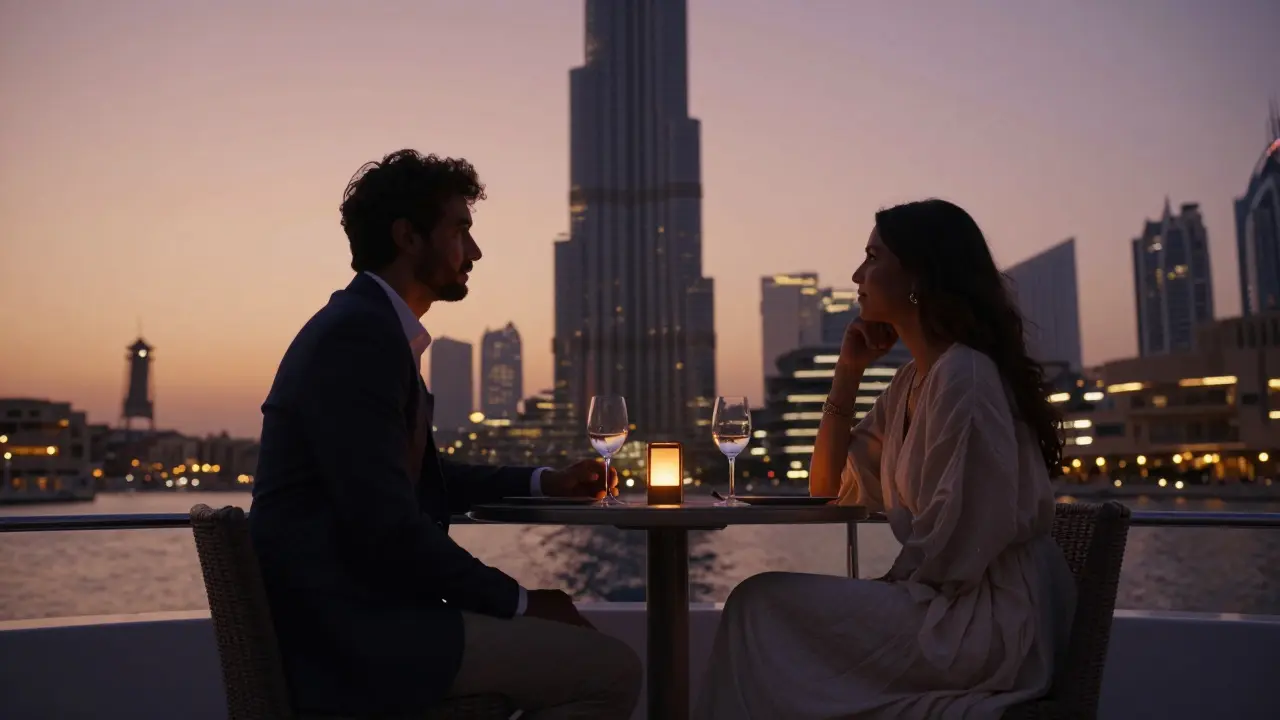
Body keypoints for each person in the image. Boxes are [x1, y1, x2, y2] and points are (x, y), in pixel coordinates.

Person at [250, 149, 642, 719]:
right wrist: (522, 602)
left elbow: (421, 479)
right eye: (461, 230)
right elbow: (386, 526)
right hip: (354, 636)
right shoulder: (359, 340)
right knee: (611, 671)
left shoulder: (367, 329)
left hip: (348, 617)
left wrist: (544, 482)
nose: (475, 252)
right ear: (408, 237)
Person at [694, 199, 1077, 719]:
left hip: (981, 619)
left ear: (919, 273)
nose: (857, 274)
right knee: (759, 606)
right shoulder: (911, 383)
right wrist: (847, 373)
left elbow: (960, 544)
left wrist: (886, 592)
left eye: (872, 257)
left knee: (759, 605)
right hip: (942, 599)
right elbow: (824, 488)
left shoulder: (963, 376)